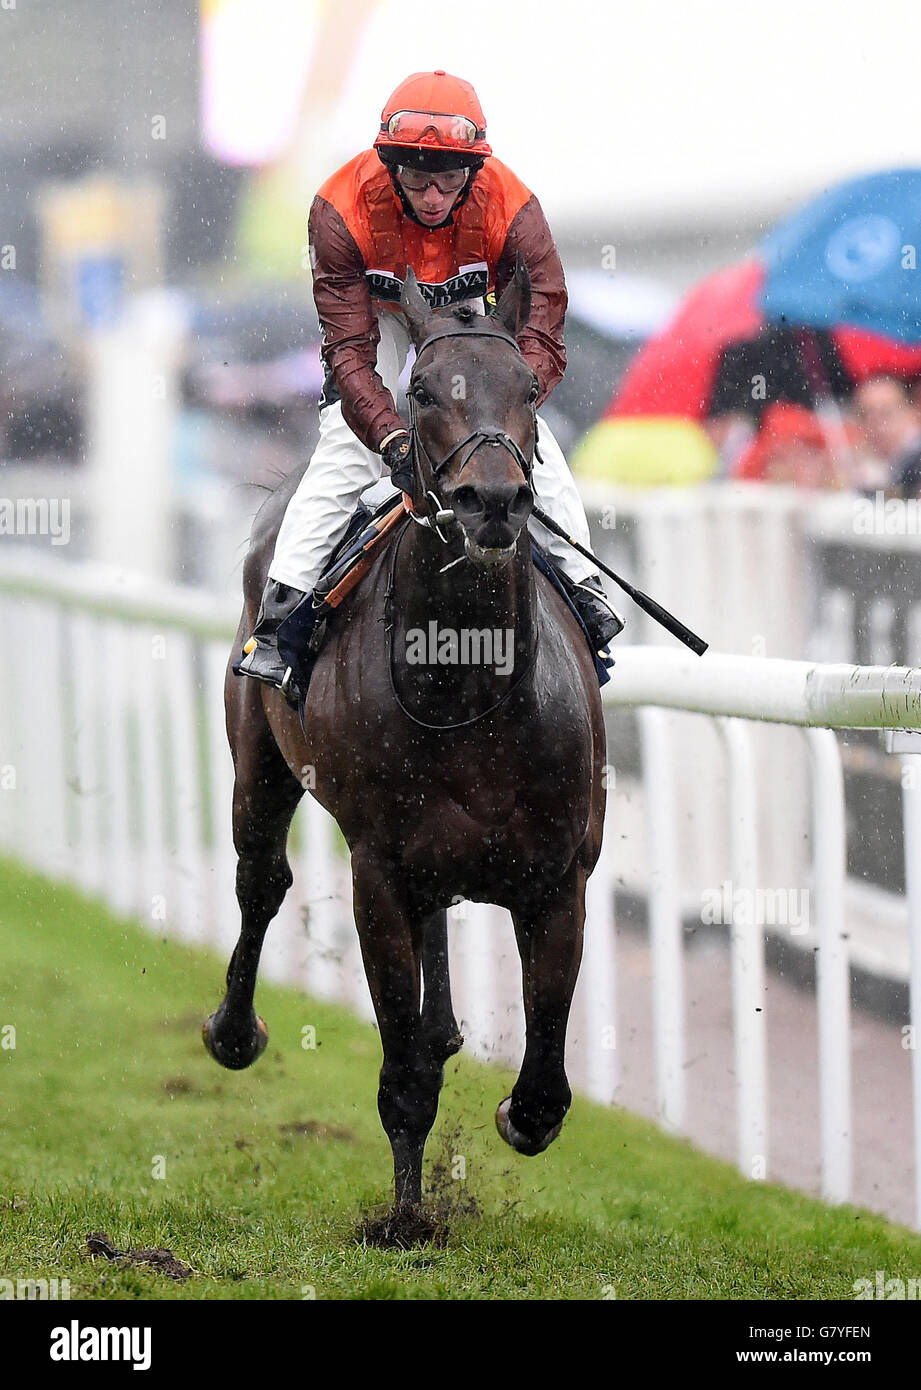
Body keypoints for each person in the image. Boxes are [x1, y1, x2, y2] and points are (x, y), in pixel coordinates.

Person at [236, 70, 624, 694]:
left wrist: (508, 412)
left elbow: (545, 320)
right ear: (388, 164)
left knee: (533, 448)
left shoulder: (513, 206)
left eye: (450, 178)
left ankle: (586, 597)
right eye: (416, 177)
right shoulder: (338, 210)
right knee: (345, 445)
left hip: (472, 318)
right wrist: (390, 438)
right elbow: (348, 353)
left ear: (475, 171)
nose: (435, 195)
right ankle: (280, 618)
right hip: (381, 317)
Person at [852, 375, 921, 497]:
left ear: (912, 413)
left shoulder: (915, 465)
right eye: (865, 415)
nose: (875, 424)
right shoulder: (859, 466)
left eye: (885, 413)